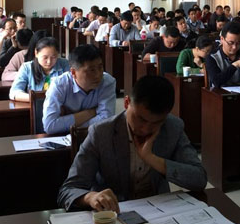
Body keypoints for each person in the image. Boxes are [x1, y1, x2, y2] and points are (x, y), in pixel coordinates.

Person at [57, 75, 207, 210]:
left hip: (158, 211)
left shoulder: (173, 127)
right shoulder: (101, 133)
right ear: (127, 102)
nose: (146, 129)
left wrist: (152, 159)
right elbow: (68, 190)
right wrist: (90, 197)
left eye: (156, 123)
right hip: (115, 213)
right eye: (141, 119)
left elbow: (199, 179)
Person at [42, 44, 116, 135]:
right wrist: (91, 112)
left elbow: (106, 120)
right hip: (61, 139)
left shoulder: (107, 82)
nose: (98, 75)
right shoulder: (59, 85)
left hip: (95, 136)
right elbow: (49, 125)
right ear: (73, 72)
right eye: (91, 70)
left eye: (100, 67)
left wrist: (69, 126)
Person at [10, 37, 70, 101]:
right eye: (45, 57)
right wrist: (37, 99)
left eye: (53, 57)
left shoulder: (64, 64)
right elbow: (14, 92)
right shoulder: (27, 67)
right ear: (36, 53)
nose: (49, 61)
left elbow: (71, 90)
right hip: (35, 105)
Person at [206, 22, 240, 89]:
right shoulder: (212, 56)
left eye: (238, 43)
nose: (234, 47)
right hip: (221, 93)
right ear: (222, 39)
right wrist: (235, 65)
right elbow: (217, 82)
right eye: (231, 43)